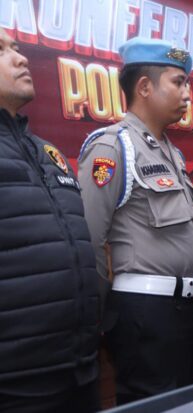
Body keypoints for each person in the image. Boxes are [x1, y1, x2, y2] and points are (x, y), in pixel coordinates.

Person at [78, 37, 193, 404]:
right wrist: (99, 317)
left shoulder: (171, 152)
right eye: (178, 82)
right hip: (146, 314)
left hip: (190, 309)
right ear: (144, 87)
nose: (188, 94)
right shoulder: (113, 146)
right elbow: (89, 239)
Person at [0, 28, 101, 413]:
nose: (21, 57)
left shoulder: (47, 152)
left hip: (79, 368)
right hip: (15, 383)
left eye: (16, 47)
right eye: (1, 51)